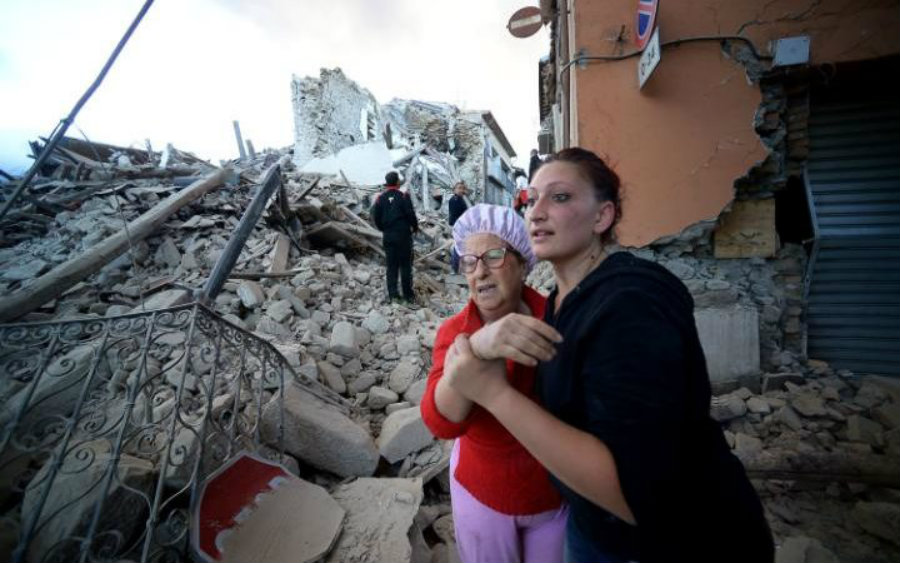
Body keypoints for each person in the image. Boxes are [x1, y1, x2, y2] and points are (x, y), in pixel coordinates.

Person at [442, 148, 774, 563]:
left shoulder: (631, 301)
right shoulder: (561, 301)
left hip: (673, 543)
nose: (537, 212)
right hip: (595, 532)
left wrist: (494, 395)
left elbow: (637, 491)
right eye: (531, 200)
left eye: (560, 197)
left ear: (603, 216)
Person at [420, 204, 568, 563]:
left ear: (522, 263)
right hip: (483, 494)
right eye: (469, 262)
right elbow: (441, 421)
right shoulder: (455, 332)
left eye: (494, 256)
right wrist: (478, 348)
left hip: (552, 495)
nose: (480, 271)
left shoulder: (558, 319)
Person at [372, 171, 418, 303]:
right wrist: (414, 227)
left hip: (389, 236)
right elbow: (411, 214)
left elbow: (376, 218)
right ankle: (408, 296)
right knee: (405, 265)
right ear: (397, 182)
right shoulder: (404, 196)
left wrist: (384, 229)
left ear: (387, 183)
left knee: (391, 266)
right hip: (403, 235)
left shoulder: (380, 198)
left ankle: (393, 295)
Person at [448, 181, 469, 274]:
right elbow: (457, 215)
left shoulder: (460, 199)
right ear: (454, 190)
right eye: (459, 188)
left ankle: (458, 268)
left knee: (461, 247)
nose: (461, 190)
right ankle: (455, 268)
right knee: (459, 247)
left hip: (461, 226)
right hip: (458, 226)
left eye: (462, 188)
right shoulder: (455, 200)